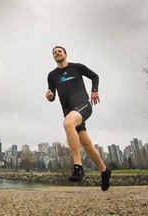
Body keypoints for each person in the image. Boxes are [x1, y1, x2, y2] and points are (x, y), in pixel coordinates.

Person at [45, 46, 111, 191]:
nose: (57, 53)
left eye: (59, 51)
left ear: (65, 54)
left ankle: (78, 166)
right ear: (53, 57)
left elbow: (95, 76)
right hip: (68, 111)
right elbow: (52, 95)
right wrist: (50, 97)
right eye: (54, 52)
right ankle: (104, 171)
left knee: (67, 123)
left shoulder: (77, 67)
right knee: (87, 145)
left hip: (83, 106)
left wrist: (94, 90)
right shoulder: (52, 75)